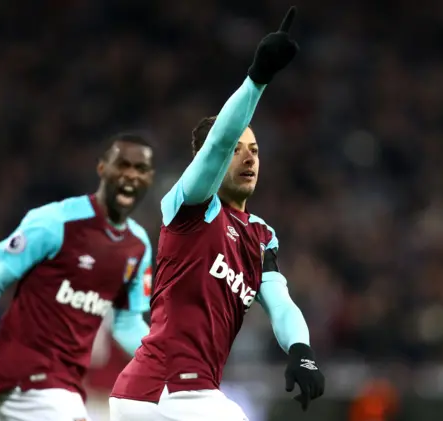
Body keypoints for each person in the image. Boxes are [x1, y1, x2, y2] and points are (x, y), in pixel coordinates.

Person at [109, 7, 325, 421]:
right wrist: (257, 78)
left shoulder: (261, 237)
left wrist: (302, 351)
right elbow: (217, 143)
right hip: (166, 390)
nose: (248, 158)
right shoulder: (189, 206)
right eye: (237, 150)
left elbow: (280, 304)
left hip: (169, 396)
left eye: (256, 151)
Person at [0, 132, 156, 421]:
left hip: (67, 389)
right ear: (102, 168)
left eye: (140, 169)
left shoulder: (137, 245)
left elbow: (126, 324)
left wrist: (164, 364)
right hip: (25, 380)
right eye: (122, 165)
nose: (130, 175)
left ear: (150, 178)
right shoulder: (56, 222)